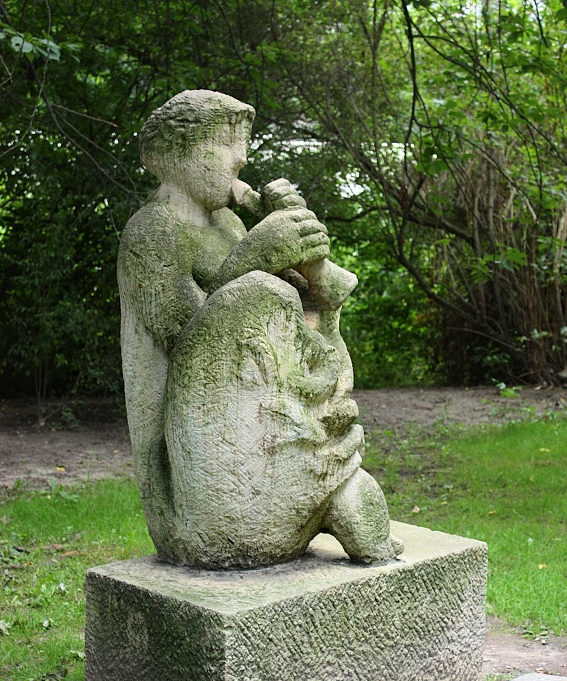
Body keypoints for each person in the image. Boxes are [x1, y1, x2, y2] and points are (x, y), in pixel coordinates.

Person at [118, 89, 402, 567]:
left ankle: (313, 480)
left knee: (272, 293)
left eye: (243, 141)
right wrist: (257, 256)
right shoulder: (151, 233)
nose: (240, 158)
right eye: (225, 141)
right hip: (194, 476)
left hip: (263, 423)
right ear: (169, 156)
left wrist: (310, 267)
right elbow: (192, 346)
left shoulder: (228, 223)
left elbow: (291, 317)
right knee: (258, 289)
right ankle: (305, 484)